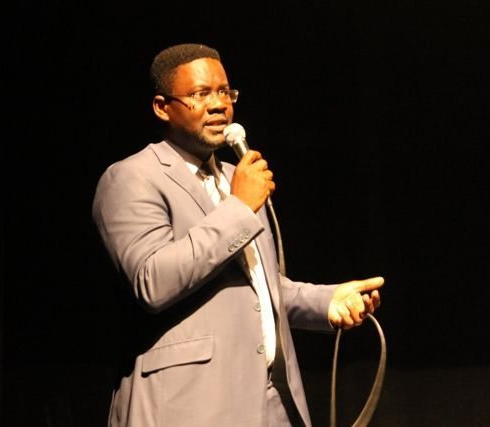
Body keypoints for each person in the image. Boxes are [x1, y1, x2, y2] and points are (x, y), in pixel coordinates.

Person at [91, 42, 383, 427]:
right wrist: (240, 208)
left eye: (225, 92)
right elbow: (152, 281)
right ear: (162, 107)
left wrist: (325, 302)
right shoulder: (132, 177)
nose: (218, 105)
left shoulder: (236, 178)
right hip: (189, 405)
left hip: (270, 403)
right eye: (200, 94)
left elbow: (258, 286)